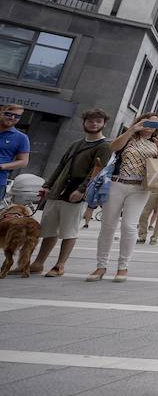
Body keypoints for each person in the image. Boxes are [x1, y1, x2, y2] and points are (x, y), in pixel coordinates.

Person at [30, 108, 111, 277]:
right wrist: (47, 185)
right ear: (84, 122)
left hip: (76, 190)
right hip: (58, 189)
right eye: (90, 120)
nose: (94, 124)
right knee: (49, 229)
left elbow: (97, 171)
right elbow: (61, 165)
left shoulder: (104, 146)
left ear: (104, 124)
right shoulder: (77, 143)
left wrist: (82, 190)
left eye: (98, 121)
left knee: (69, 230)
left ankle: (60, 265)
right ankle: (38, 263)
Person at [88, 112, 158, 283]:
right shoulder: (129, 137)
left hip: (140, 188)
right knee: (108, 226)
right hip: (116, 184)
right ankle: (101, 266)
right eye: (147, 123)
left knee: (129, 227)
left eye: (156, 124)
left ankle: (123, 267)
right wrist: (132, 130)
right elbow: (113, 148)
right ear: (140, 122)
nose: (150, 127)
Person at [0, 104, 31, 201]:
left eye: (17, 116)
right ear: (1, 113)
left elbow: (23, 161)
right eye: (8, 114)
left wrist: (2, 166)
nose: (12, 118)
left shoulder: (21, 138)